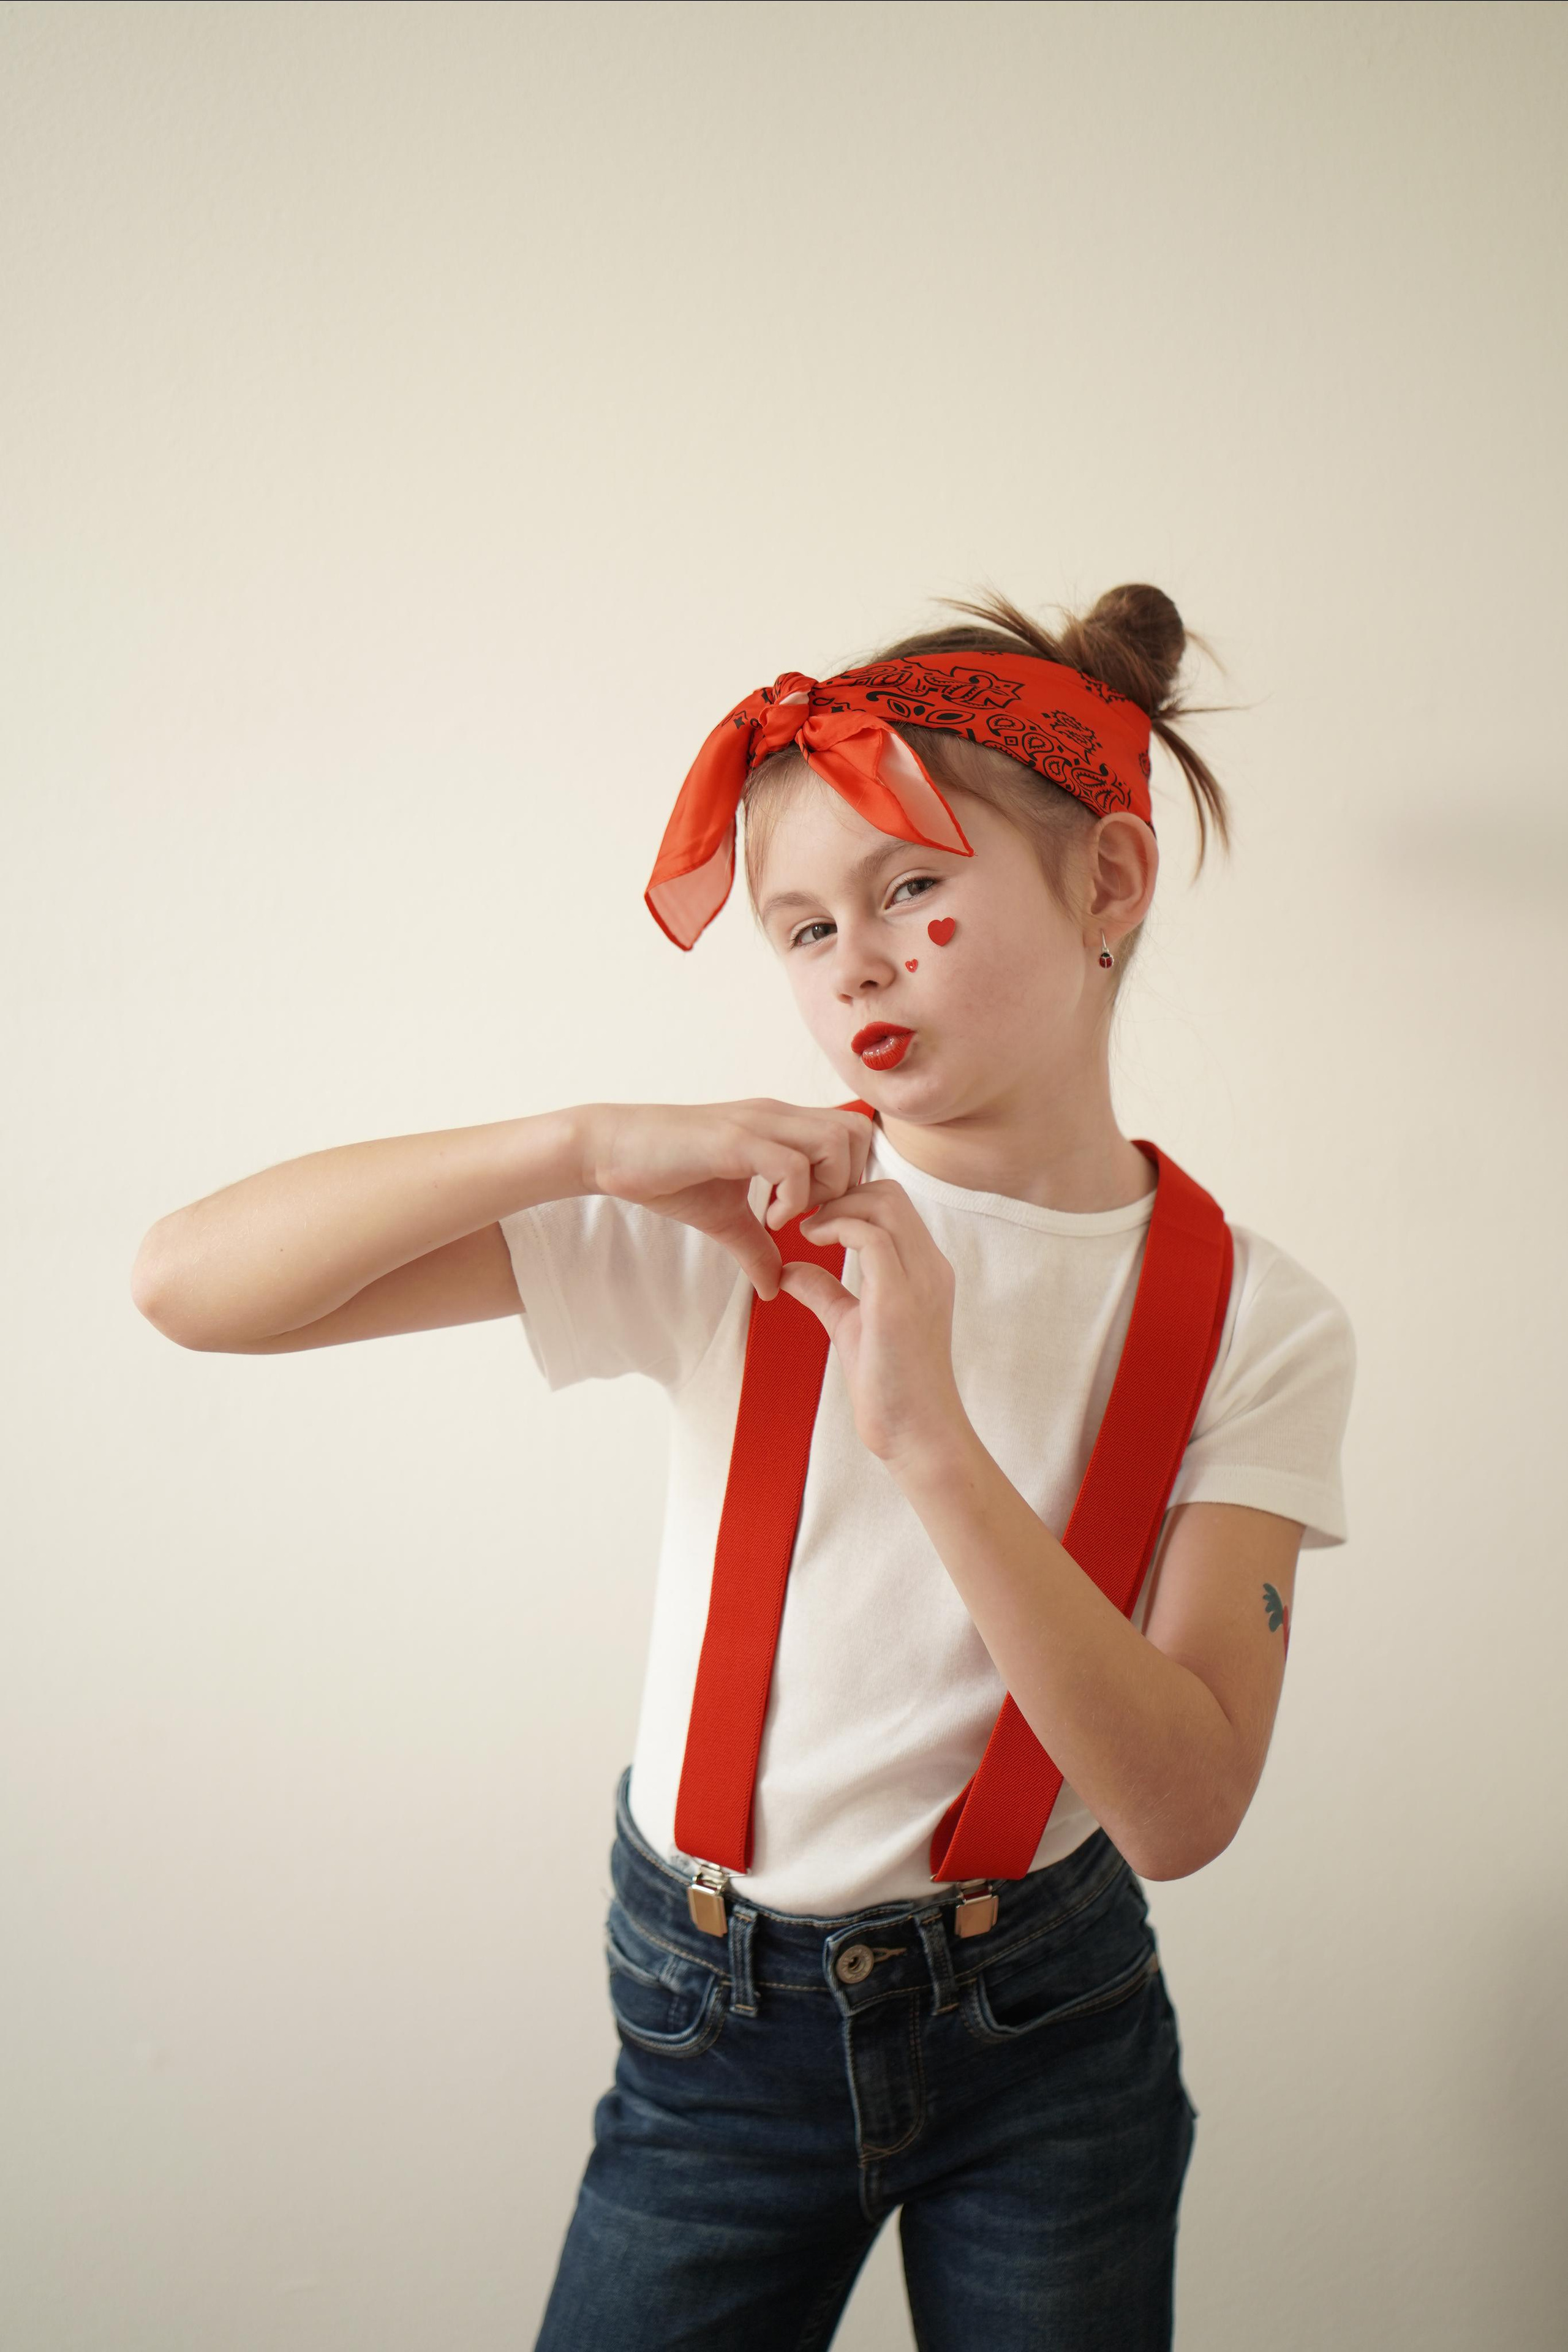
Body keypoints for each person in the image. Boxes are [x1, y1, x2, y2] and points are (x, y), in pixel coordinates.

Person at [132, 584, 1356, 2351]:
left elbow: (1183, 1813)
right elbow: (188, 1286)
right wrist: (584, 1142)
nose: (852, 962)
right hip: (715, 2026)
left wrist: (929, 1436)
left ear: (1107, 884)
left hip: (1052, 2042)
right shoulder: (741, 1215)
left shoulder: (1254, 1317)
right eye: (797, 926)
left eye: (913, 889)